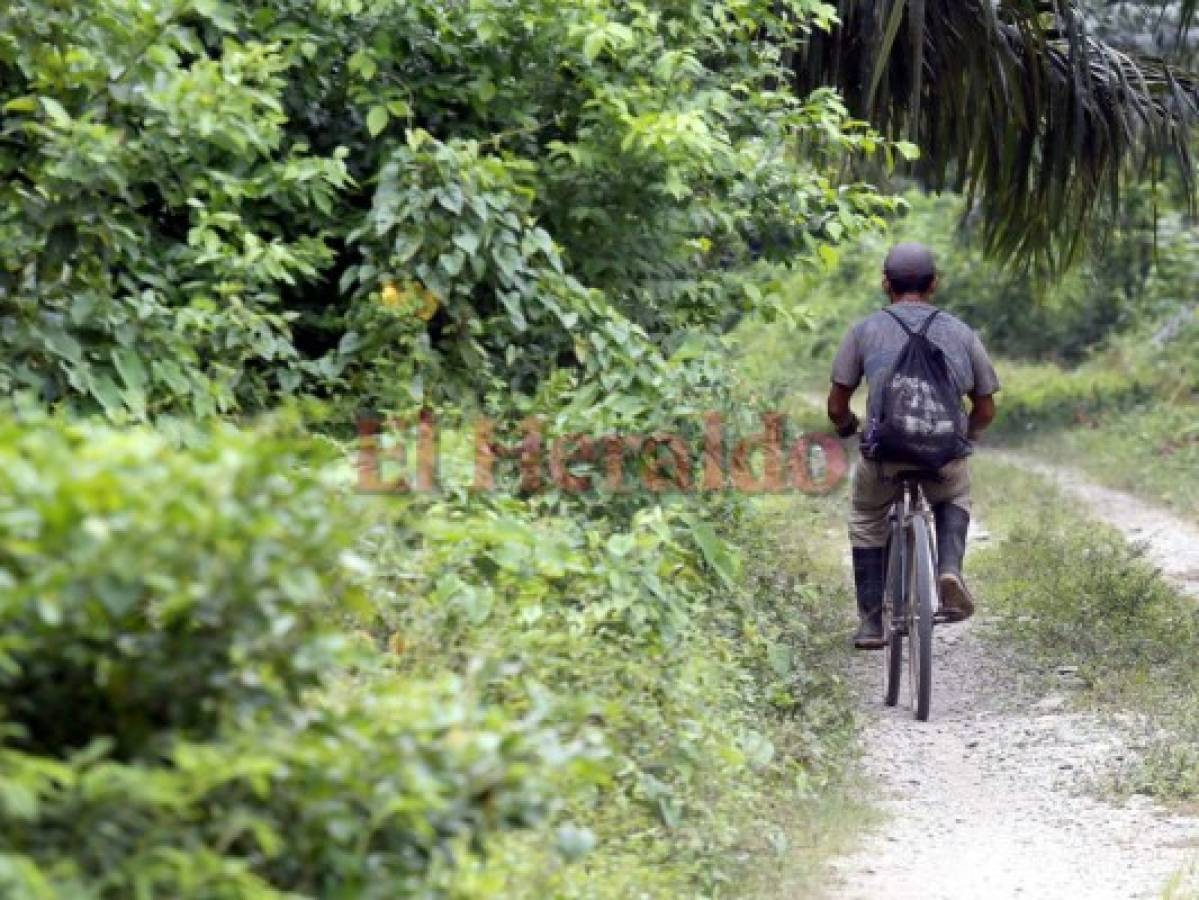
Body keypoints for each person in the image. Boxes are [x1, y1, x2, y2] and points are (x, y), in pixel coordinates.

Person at [826, 242, 1000, 649]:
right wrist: (965, 439)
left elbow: (836, 405)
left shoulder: (864, 331)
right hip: (943, 453)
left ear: (885, 283)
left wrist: (850, 427)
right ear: (934, 284)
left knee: (868, 517)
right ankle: (950, 569)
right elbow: (986, 408)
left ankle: (871, 623)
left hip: (885, 455)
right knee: (955, 491)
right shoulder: (961, 332)